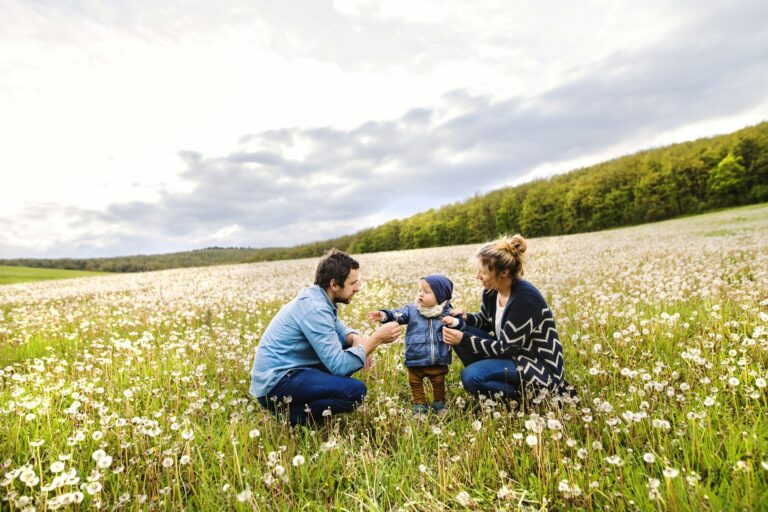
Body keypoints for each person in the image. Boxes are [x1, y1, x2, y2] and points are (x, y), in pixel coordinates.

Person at [249, 249, 401, 426]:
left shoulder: (318, 297)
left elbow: (341, 331)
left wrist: (357, 340)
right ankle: (291, 416)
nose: (357, 288)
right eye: (352, 283)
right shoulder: (315, 308)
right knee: (356, 392)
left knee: (349, 350)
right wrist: (375, 340)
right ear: (334, 284)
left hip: (289, 371)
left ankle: (301, 408)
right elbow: (339, 366)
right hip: (276, 384)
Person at [441, 235, 574, 403]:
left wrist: (464, 339)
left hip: (536, 366)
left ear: (504, 272)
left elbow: (506, 348)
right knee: (458, 328)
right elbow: (486, 321)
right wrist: (466, 318)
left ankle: (525, 399)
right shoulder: (491, 291)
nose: (477, 276)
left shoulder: (525, 299)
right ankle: (491, 379)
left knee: (471, 376)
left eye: (483, 271)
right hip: (512, 356)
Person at [368, 275, 455, 416]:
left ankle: (440, 404)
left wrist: (458, 319)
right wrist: (384, 315)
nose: (420, 294)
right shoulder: (412, 310)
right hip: (415, 357)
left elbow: (459, 325)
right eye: (420, 290)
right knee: (415, 383)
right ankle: (420, 406)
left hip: (438, 358)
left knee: (439, 381)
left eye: (426, 292)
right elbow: (398, 314)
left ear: (440, 296)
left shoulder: (447, 313)